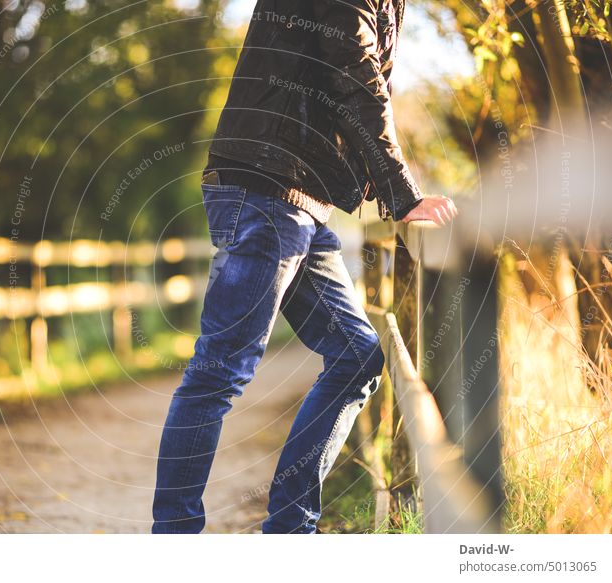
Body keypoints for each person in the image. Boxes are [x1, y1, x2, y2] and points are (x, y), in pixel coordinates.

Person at [152, 0, 458, 534]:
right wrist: (402, 194)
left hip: (299, 198)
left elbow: (345, 82)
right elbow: (355, 75)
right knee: (220, 370)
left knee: (357, 355)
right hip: (265, 190)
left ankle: (291, 531)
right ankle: (175, 538)